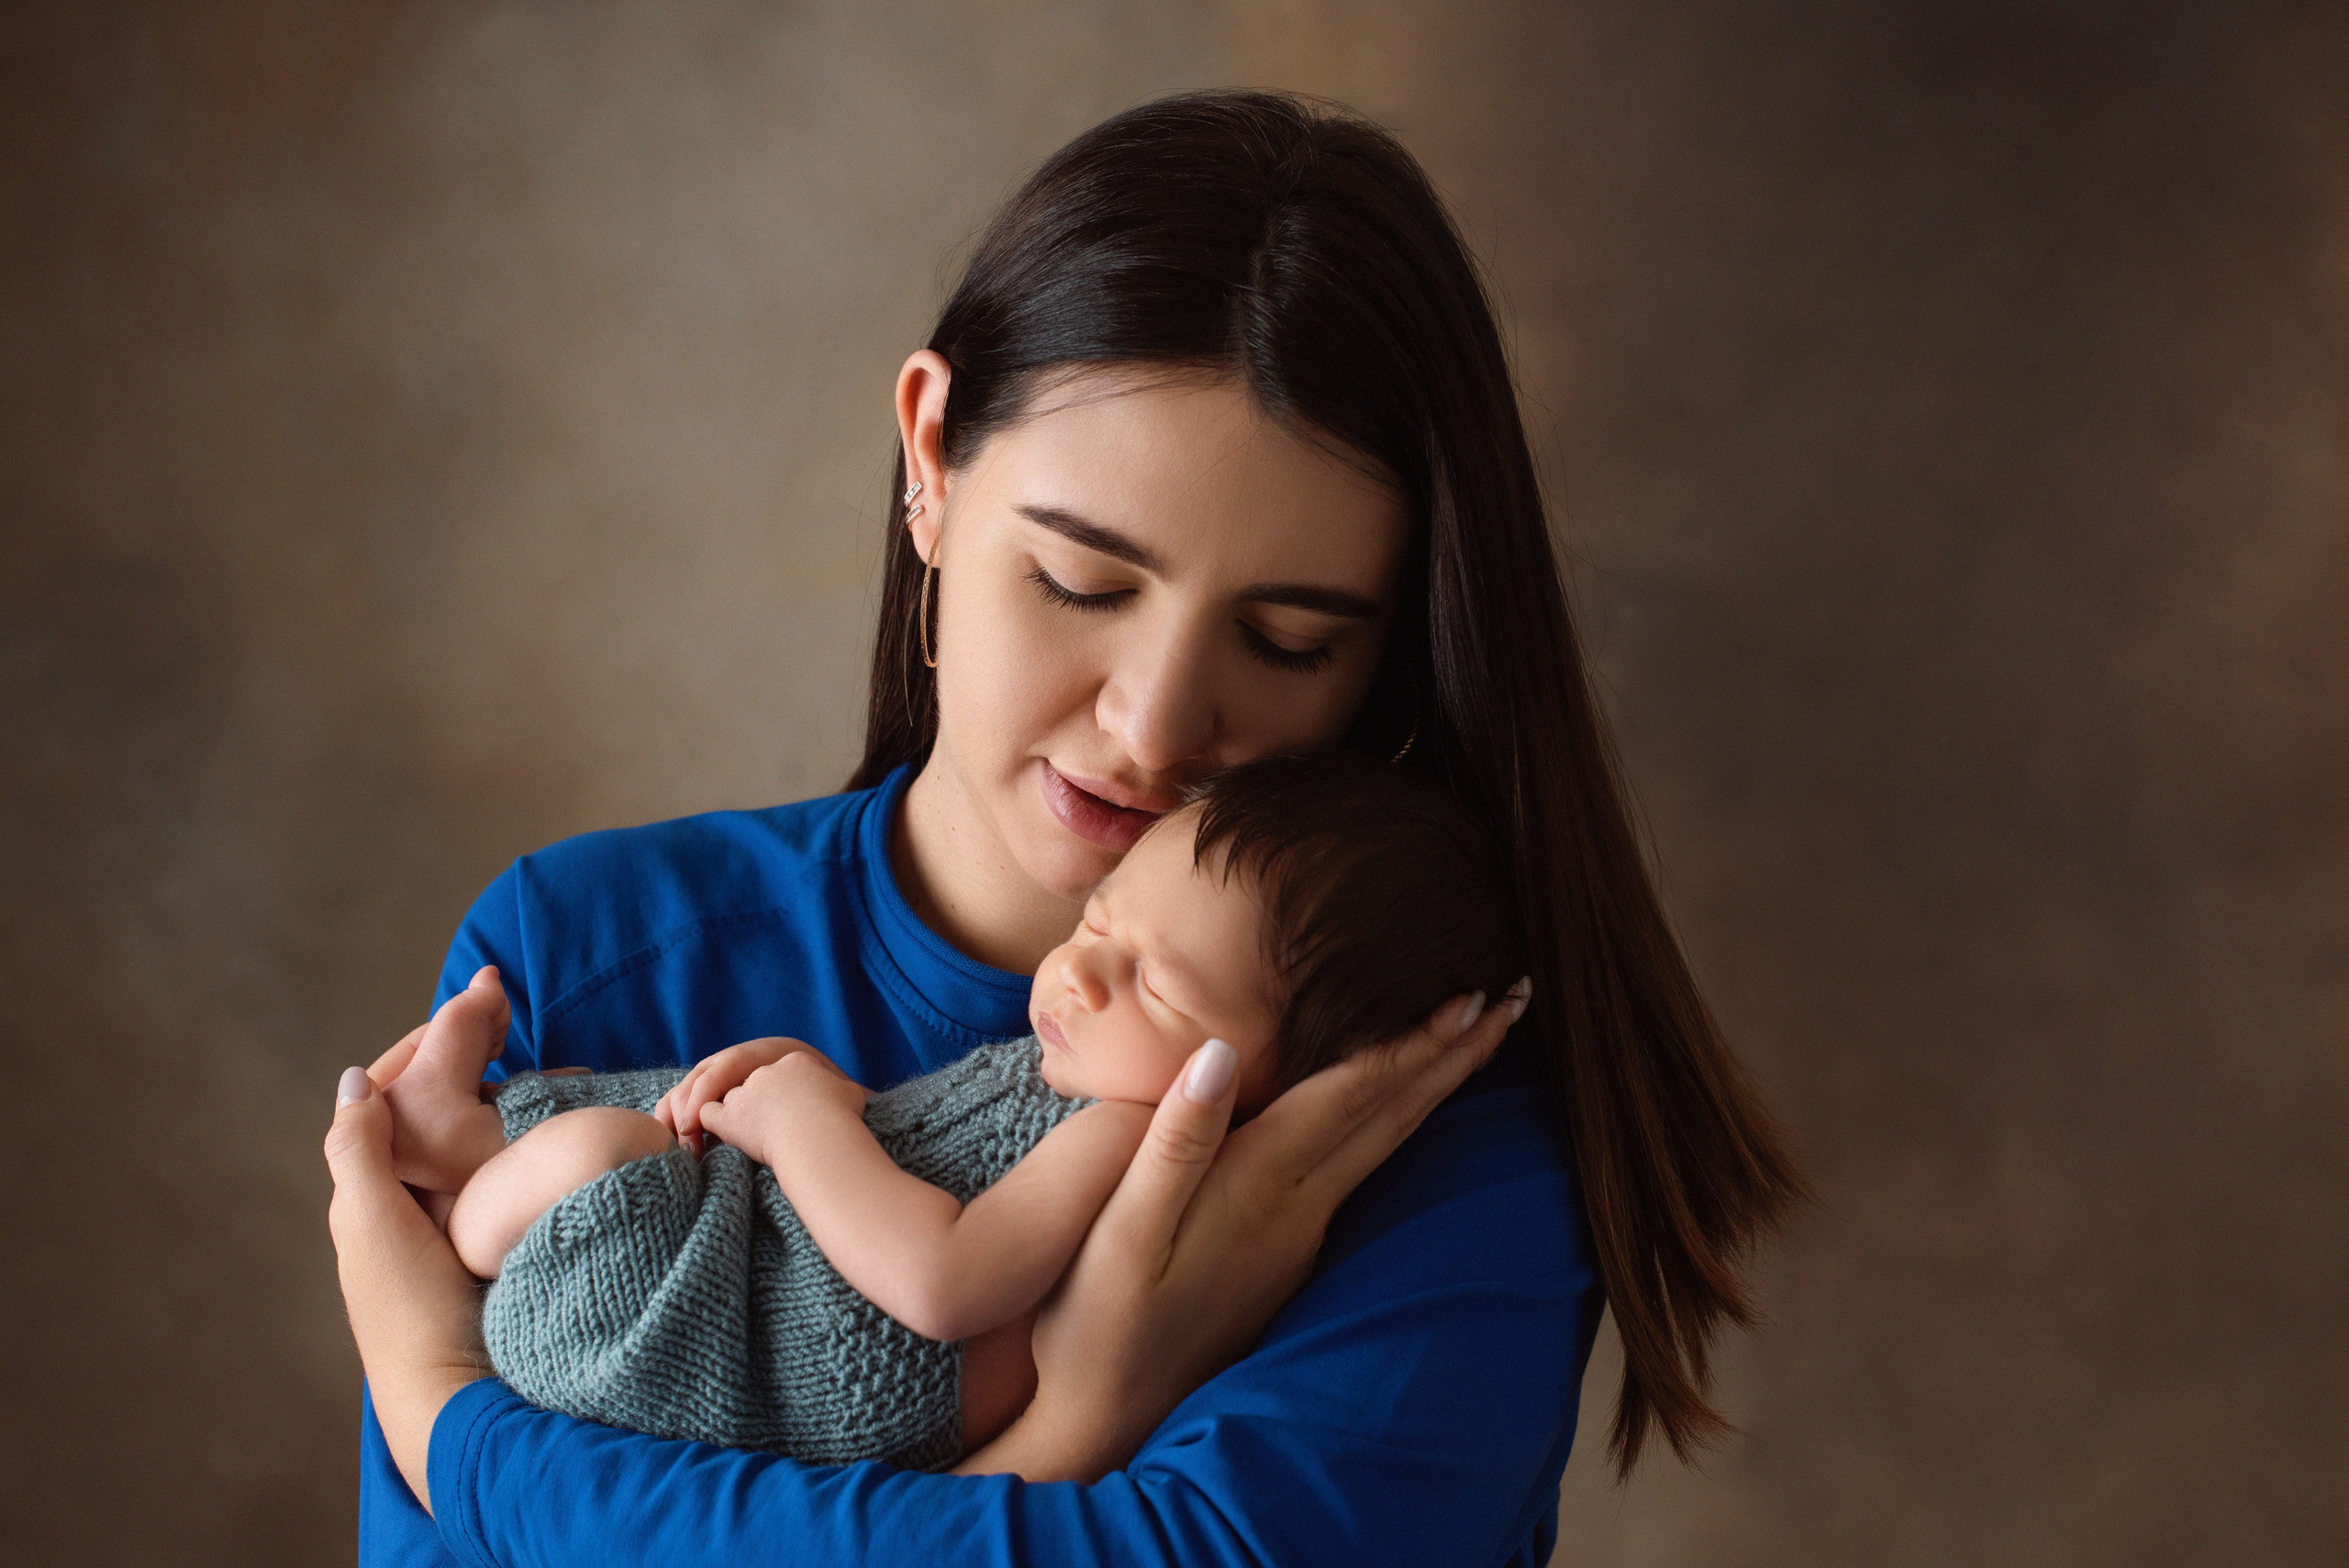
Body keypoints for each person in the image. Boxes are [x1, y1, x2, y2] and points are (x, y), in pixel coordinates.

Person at [325, 88, 1804, 1568]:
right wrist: (1075, 1434)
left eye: (1288, 640)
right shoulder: (577, 959)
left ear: (1391, 654)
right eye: (1084, 584)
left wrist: (454, 1414)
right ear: (932, 459)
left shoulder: (1412, 1104)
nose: (1156, 726)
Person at [378, 753, 1529, 1472]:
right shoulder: (1071, 1070)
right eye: (1099, 923)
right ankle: (469, 1141)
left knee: (612, 1146)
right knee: (671, 1114)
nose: (1081, 974)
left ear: (1283, 1081)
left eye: (1157, 985)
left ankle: (475, 1195)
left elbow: (947, 1278)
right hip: (773, 1263)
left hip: (774, 1357)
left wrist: (804, 1126)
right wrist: (822, 1092)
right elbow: (917, 1144)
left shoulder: (1136, 1137)